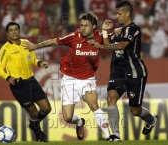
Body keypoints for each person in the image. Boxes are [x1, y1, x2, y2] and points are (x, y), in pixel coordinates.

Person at [22, 12, 111, 141]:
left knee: (93, 104)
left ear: (94, 26)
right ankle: (79, 122)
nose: (83, 28)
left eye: (86, 25)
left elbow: (108, 46)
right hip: (69, 79)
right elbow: (54, 41)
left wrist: (107, 31)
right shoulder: (74, 36)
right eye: (81, 25)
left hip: (87, 78)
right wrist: (35, 46)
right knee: (68, 117)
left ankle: (109, 136)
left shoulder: (99, 36)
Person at [88, 0, 158, 142]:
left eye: (119, 14)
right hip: (118, 72)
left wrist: (100, 46)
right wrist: (105, 32)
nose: (117, 17)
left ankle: (151, 120)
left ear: (127, 13)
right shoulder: (118, 31)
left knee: (135, 110)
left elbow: (120, 46)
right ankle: (116, 135)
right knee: (111, 97)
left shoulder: (134, 29)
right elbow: (108, 46)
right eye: (116, 14)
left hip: (135, 72)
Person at [0, 22, 51, 142]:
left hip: (31, 80)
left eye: (16, 29)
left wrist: (40, 63)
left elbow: (32, 59)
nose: (14, 32)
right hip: (18, 85)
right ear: (7, 33)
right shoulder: (5, 49)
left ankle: (33, 124)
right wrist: (8, 77)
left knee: (47, 108)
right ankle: (39, 135)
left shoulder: (26, 43)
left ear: (19, 31)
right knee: (34, 114)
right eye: (11, 30)